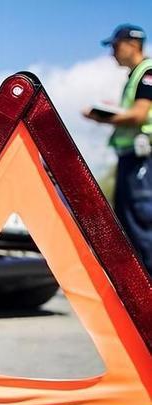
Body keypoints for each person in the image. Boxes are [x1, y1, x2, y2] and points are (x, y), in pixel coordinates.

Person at [84, 24, 152, 270]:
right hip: (131, 159)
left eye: (115, 46)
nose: (112, 53)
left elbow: (139, 114)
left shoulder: (147, 72)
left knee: (142, 223)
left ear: (132, 44)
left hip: (141, 161)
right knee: (129, 223)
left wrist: (101, 117)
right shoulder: (136, 75)